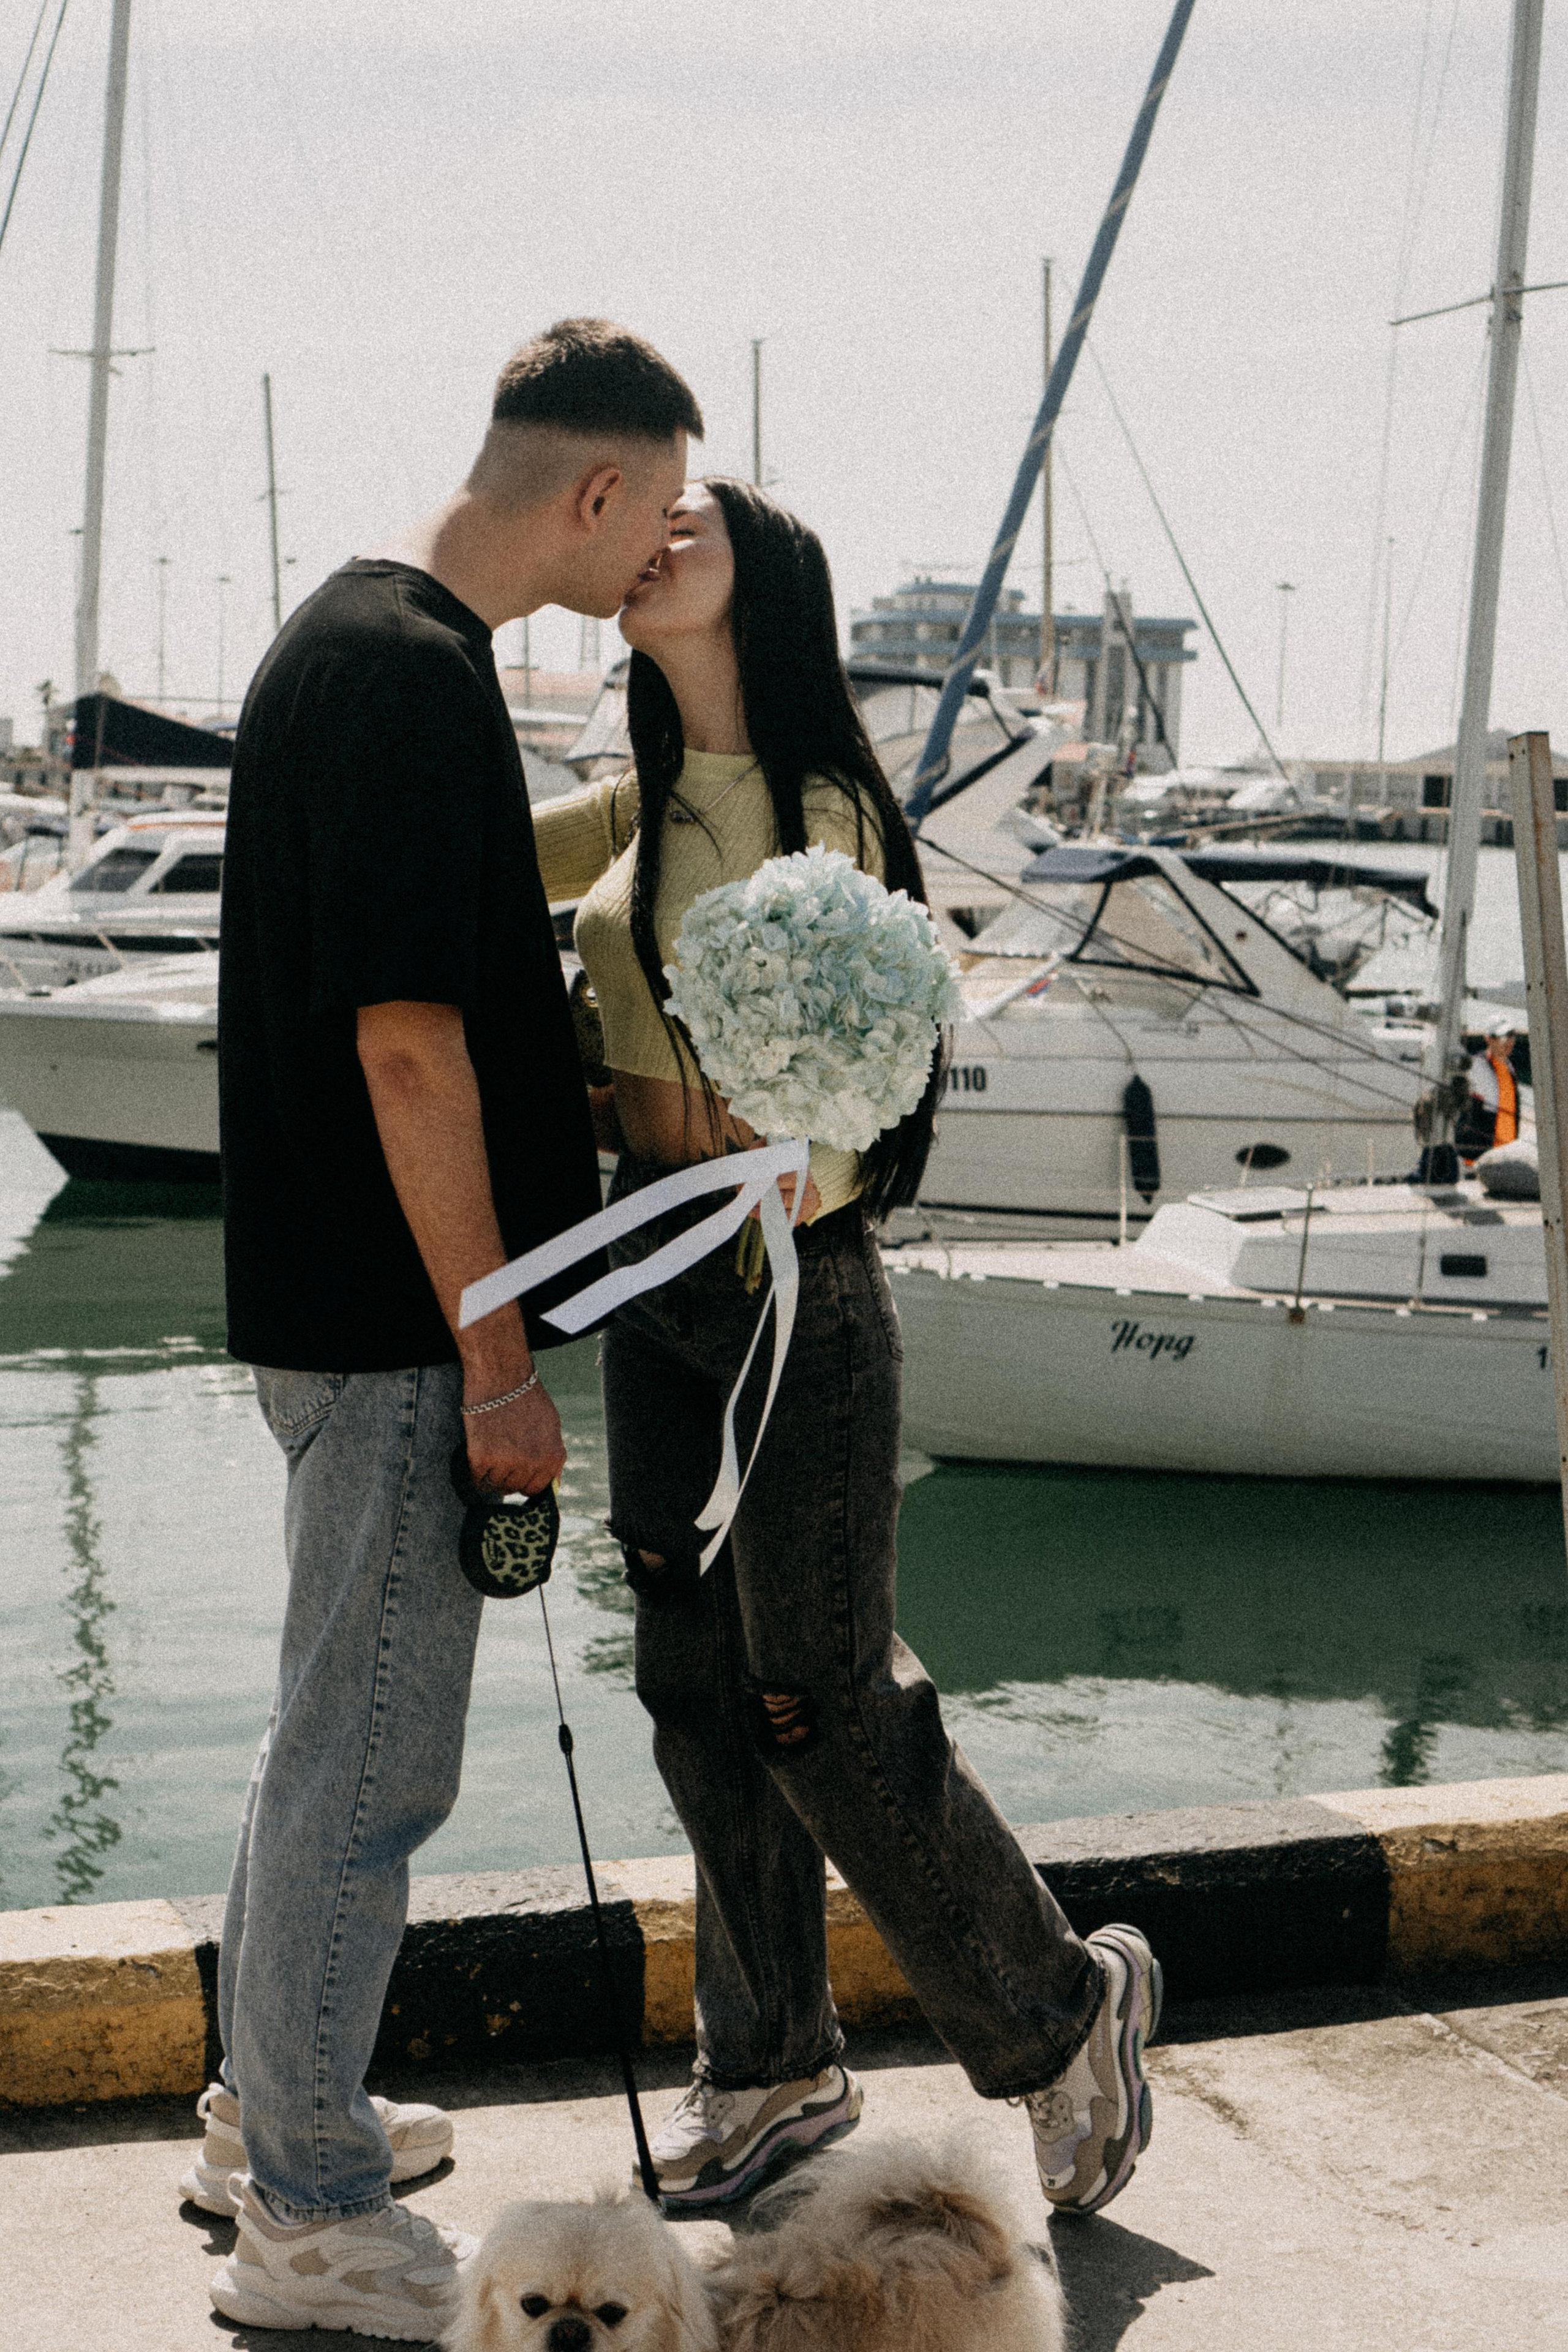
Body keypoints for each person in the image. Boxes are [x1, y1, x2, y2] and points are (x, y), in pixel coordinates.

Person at [530, 478, 1161, 2220]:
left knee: (814, 1700)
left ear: (768, 585)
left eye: (690, 526)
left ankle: (1059, 2010)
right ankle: (771, 2066)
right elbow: (467, 859)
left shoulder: (824, 810)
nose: (652, 539)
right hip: (656, 1272)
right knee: (689, 1688)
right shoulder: (638, 798)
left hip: (794, 1287)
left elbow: (863, 1068)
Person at [198, 320, 703, 2340]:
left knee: (320, 1733)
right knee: (372, 1767)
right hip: (400, 1324)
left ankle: (274, 2116)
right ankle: (312, 2215)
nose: (660, 552)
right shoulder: (413, 680)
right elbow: (406, 1045)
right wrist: (499, 1356)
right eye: (659, 515)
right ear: (597, 490)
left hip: (330, 1300)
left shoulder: (344, 641)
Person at [1458, 1020, 1521, 1161]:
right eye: (1503, 1037)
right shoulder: (1477, 1066)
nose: (1509, 1042)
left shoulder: (1509, 1068)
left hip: (1507, 1151)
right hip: (1483, 1154)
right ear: (1488, 1039)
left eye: (1511, 1036)